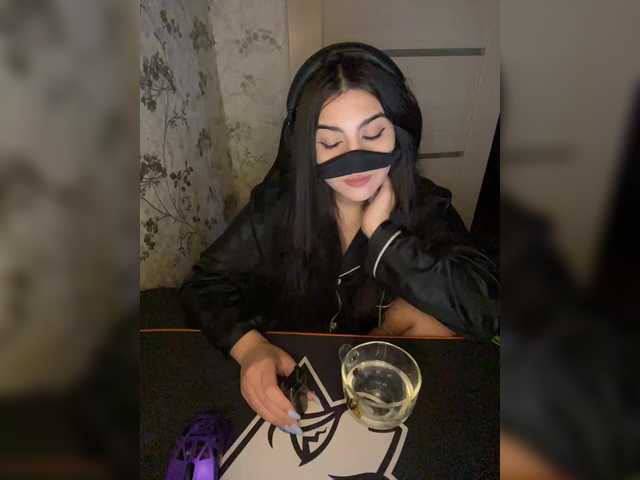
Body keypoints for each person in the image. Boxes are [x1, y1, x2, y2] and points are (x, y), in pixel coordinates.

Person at [180, 43, 499, 435]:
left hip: (380, 388)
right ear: (307, 149)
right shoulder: (278, 207)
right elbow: (202, 284)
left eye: (373, 134)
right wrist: (250, 349)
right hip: (295, 377)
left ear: (399, 135)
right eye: (331, 143)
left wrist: (383, 236)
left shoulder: (427, 207)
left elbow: (486, 309)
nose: (355, 161)